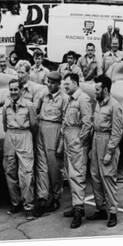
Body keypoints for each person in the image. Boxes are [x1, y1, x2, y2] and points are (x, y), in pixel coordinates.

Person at [88, 75, 123, 228]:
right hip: (96, 140)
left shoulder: (115, 106)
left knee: (108, 177)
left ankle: (113, 212)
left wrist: (110, 151)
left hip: (107, 141)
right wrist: (91, 146)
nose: (95, 92)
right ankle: (101, 208)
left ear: (105, 90)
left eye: (97, 89)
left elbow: (117, 131)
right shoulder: (98, 103)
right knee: (95, 176)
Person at [2, 79, 39, 220]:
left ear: (21, 90)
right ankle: (15, 202)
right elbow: (5, 125)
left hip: (24, 135)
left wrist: (28, 136)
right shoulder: (6, 106)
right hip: (10, 135)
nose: (13, 92)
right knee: (10, 171)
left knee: (26, 173)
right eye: (11, 89)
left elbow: (34, 125)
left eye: (15, 89)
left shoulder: (29, 105)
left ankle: (28, 205)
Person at [33, 71, 69, 215]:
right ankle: (42, 196)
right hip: (41, 128)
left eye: (52, 83)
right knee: (41, 165)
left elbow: (66, 122)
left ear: (58, 84)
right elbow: (35, 109)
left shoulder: (64, 99)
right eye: (48, 82)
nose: (49, 85)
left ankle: (55, 196)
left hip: (55, 130)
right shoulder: (43, 95)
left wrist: (61, 142)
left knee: (54, 166)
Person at [61, 73, 93, 229]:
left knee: (78, 175)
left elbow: (87, 123)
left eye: (67, 84)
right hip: (69, 139)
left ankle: (79, 211)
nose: (64, 87)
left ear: (75, 83)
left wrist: (79, 141)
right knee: (70, 174)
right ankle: (76, 205)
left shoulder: (83, 99)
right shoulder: (70, 99)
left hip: (76, 141)